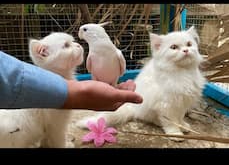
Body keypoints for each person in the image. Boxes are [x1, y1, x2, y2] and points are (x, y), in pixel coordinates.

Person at [0, 51, 143, 110]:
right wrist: (81, 93)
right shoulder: (91, 55)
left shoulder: (116, 53)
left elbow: (10, 76)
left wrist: (78, 92)